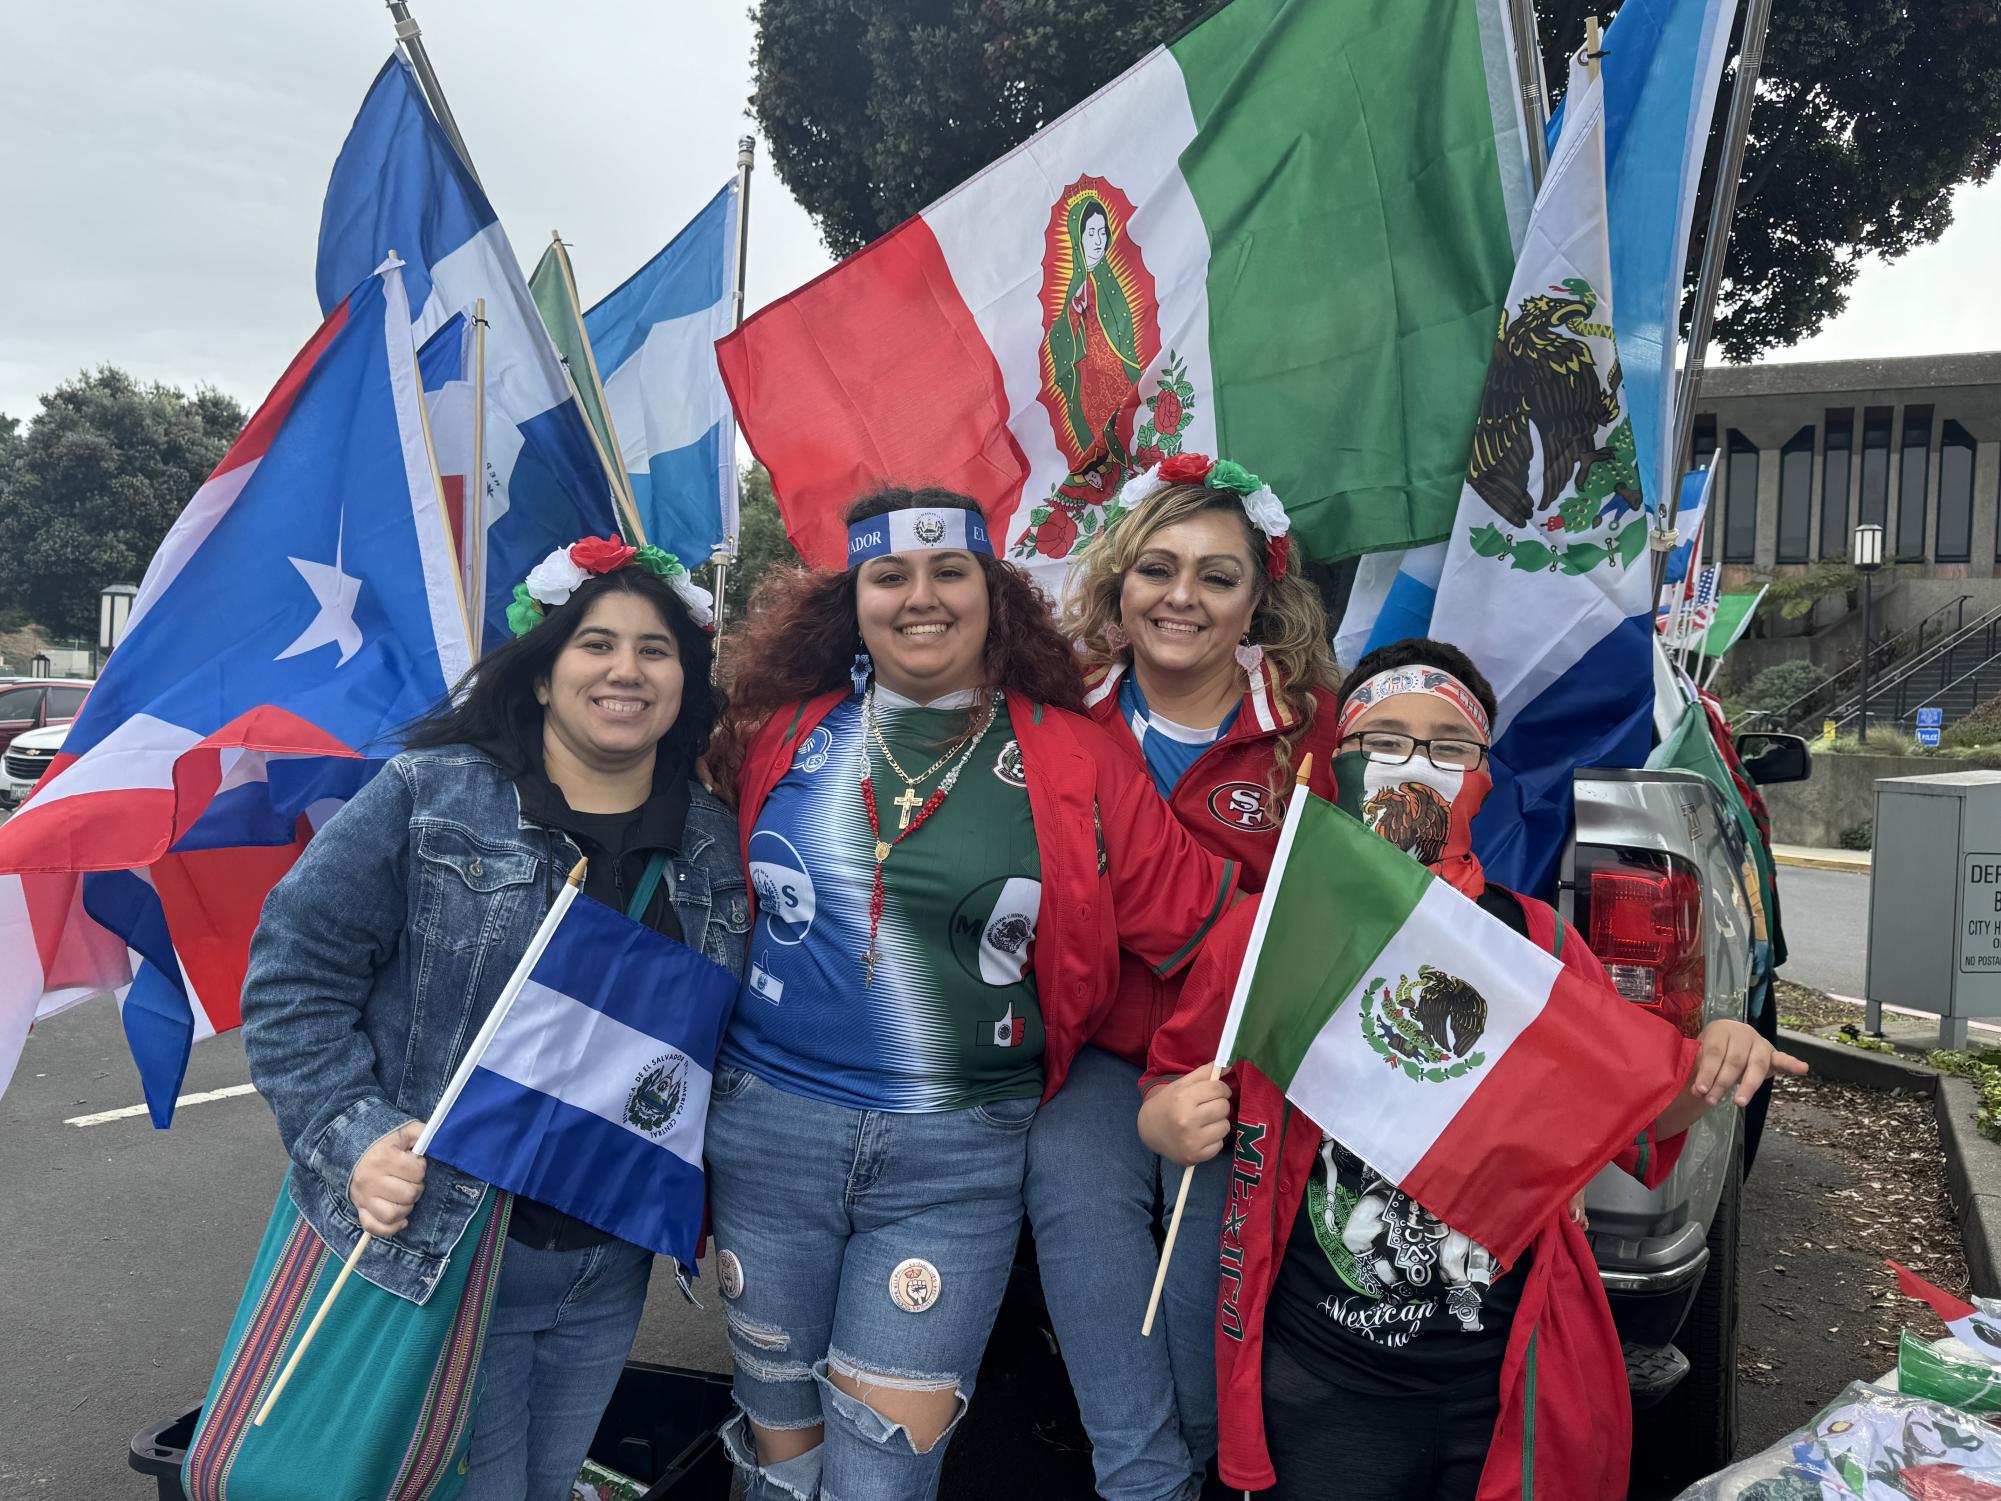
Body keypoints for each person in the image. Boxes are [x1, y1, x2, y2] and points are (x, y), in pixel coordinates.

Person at [1139, 637, 1807, 1501]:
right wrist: (1166, 1119)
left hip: (1500, 1372)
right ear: (1336, 760)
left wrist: (1712, 1062)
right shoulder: (1268, 932)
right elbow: (1169, 1075)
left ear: (1483, 774)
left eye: (1447, 746)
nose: (1414, 765)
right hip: (1321, 1375)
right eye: (1382, 740)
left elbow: (1630, 1125)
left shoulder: (1537, 946)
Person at [700, 487, 1240, 1501]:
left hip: (951, 1168)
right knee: (779, 1460)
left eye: (950, 572)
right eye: (889, 575)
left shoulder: (1075, 759)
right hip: (768, 1143)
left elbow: (1217, 934)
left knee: (881, 1483)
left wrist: (1172, 1078)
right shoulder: (776, 734)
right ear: (851, 598)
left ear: (993, 593)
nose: (922, 597)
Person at [238, 538, 745, 1500]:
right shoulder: (432, 794)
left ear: (685, 678)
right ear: (546, 669)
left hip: (606, 1263)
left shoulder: (712, 838)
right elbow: (293, 977)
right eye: (596, 643)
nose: (626, 670)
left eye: (655, 648)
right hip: (447, 1246)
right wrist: (352, 1137)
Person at [1025, 453, 1340, 1501]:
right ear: (1118, 584)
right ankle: (1142, 1482)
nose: (1183, 597)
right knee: (1073, 1199)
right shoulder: (1054, 715)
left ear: (1260, 598)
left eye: (1217, 574)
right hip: (1097, 1049)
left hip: (1244, 1055)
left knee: (1208, 1281)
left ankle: (1207, 1458)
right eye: (1157, 568)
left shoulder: (1311, 727)